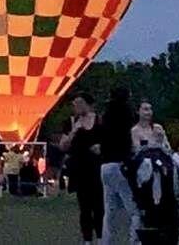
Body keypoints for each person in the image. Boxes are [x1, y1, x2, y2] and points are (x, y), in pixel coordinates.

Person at [98, 87, 140, 245]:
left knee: (110, 211)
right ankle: (134, 241)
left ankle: (106, 241)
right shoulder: (126, 114)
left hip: (105, 166)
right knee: (134, 210)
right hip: (120, 165)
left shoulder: (106, 115)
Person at [60, 93, 104, 245]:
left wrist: (101, 147)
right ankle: (87, 239)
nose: (76, 107)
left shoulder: (100, 121)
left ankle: (100, 237)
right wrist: (74, 131)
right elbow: (63, 146)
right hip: (79, 168)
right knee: (84, 206)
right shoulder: (71, 122)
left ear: (87, 104)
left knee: (99, 205)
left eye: (78, 103)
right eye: (74, 104)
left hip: (97, 168)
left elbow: (108, 141)